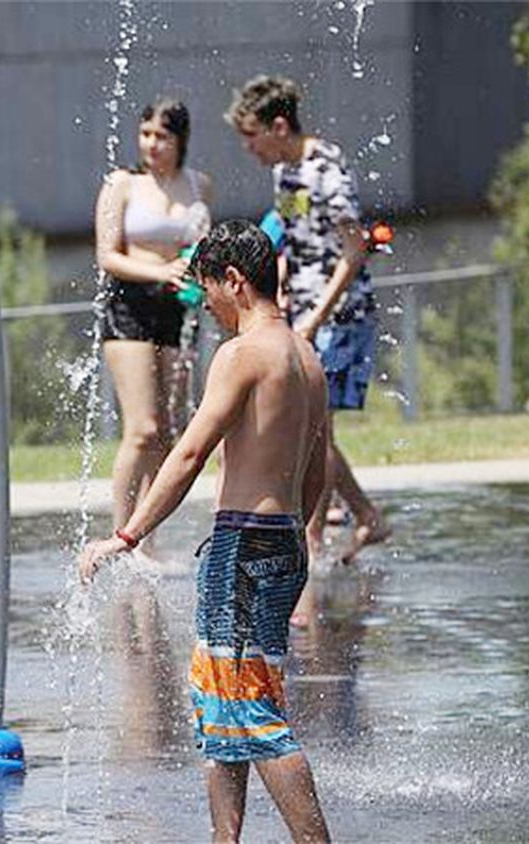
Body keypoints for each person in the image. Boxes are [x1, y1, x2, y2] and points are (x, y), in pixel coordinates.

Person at [80, 220, 332, 844]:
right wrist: (293, 533)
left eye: (207, 294)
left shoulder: (243, 354)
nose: (207, 308)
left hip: (244, 545)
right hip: (281, 542)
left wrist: (128, 534)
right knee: (223, 701)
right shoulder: (305, 356)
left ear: (235, 282)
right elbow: (319, 464)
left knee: (253, 710)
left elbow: (190, 454)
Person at [226, 73, 388, 566]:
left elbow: (354, 252)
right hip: (302, 312)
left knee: (316, 429)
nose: (248, 147)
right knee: (311, 428)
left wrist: (316, 318)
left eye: (252, 135)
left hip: (339, 315)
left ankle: (317, 541)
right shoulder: (284, 174)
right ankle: (360, 519)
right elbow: (292, 244)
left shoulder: (327, 170)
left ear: (279, 126)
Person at [95, 98, 213, 562]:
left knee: (167, 430)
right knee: (141, 428)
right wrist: (161, 271)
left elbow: (200, 247)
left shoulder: (199, 185)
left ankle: (149, 539)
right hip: (129, 306)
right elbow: (107, 255)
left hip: (177, 308)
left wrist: (189, 269)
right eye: (145, 133)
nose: (151, 144)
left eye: (161, 136)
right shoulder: (122, 184)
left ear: (180, 139)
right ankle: (119, 534)